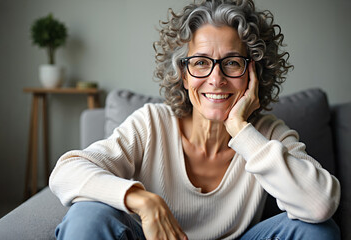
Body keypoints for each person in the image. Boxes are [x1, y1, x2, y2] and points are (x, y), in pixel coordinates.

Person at [50, 0, 341, 239]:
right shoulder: (152, 123)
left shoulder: (266, 134)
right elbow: (66, 171)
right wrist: (143, 201)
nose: (216, 79)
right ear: (184, 74)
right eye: (201, 62)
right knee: (88, 215)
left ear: (253, 74)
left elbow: (320, 205)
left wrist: (240, 129)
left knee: (318, 232)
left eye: (232, 63)